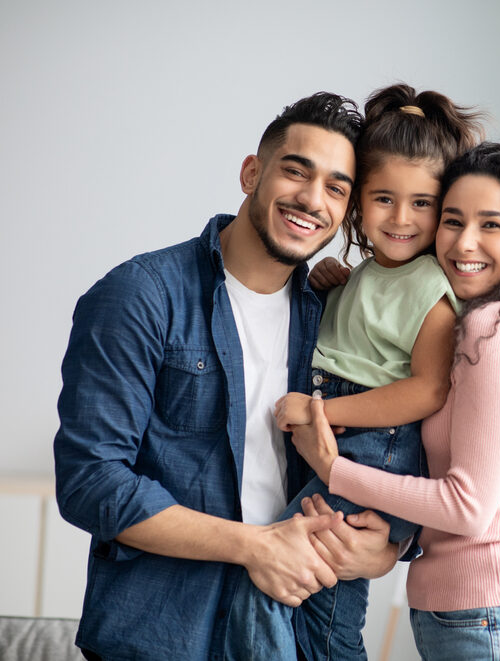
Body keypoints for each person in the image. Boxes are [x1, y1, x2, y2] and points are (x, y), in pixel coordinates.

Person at [53, 92, 401, 661]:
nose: (312, 200)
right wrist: (254, 547)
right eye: (296, 171)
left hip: (295, 635)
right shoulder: (141, 295)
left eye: (336, 188)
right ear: (251, 173)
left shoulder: (334, 317)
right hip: (164, 636)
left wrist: (391, 547)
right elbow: (91, 481)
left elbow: (390, 446)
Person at [292, 142, 500, 660]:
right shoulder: (470, 327)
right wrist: (393, 544)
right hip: (476, 619)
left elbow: (468, 509)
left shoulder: (493, 331)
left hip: (495, 622)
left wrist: (334, 469)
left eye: (491, 224)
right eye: (452, 221)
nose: (464, 242)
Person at [225, 84, 484, 661]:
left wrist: (321, 413)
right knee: (319, 613)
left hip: (373, 448)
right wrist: (335, 287)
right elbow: (365, 340)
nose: (402, 218)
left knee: (281, 593)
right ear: (358, 203)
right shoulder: (364, 274)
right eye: (384, 198)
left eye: (422, 203)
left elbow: (428, 388)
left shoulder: (428, 288)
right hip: (352, 443)